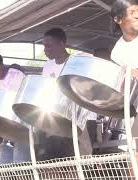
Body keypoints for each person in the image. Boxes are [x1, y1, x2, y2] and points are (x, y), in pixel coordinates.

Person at [110, 0, 138, 178]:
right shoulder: (117, 52)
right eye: (132, 12)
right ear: (118, 19)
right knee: (133, 160)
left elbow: (136, 73)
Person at [40, 28, 93, 160]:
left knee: (80, 157)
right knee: (56, 159)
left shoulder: (77, 62)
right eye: (44, 46)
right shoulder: (47, 66)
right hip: (55, 119)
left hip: (79, 118)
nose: (46, 49)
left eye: (49, 45)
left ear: (62, 44)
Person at [0, 51, 30, 164]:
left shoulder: (16, 75)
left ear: (0, 65)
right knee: (3, 169)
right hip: (7, 133)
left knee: (21, 168)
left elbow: (21, 104)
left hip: (22, 131)